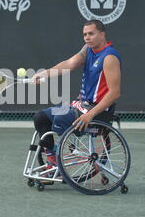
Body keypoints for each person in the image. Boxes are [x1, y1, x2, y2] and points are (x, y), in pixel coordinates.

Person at [32, 19, 122, 172]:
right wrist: (45, 74)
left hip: (98, 112)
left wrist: (90, 114)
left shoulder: (109, 58)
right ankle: (53, 158)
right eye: (85, 34)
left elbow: (114, 93)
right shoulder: (88, 49)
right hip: (81, 105)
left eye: (91, 34)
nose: (87, 37)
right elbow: (69, 64)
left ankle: (58, 157)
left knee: (61, 117)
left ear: (102, 35)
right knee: (41, 117)